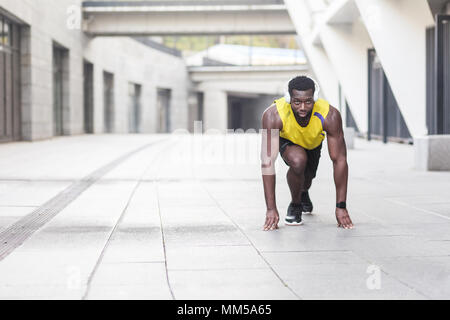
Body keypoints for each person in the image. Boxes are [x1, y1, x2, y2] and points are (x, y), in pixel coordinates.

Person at [261, 76, 353, 231]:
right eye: (297, 102)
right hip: (288, 142)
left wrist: (341, 206)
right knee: (298, 161)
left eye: (308, 102)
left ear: (315, 99)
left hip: (313, 145)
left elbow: (340, 160)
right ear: (289, 99)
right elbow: (267, 162)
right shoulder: (273, 115)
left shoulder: (330, 115)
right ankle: (295, 204)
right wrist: (271, 209)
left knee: (307, 178)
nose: (302, 107)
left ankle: (303, 192)